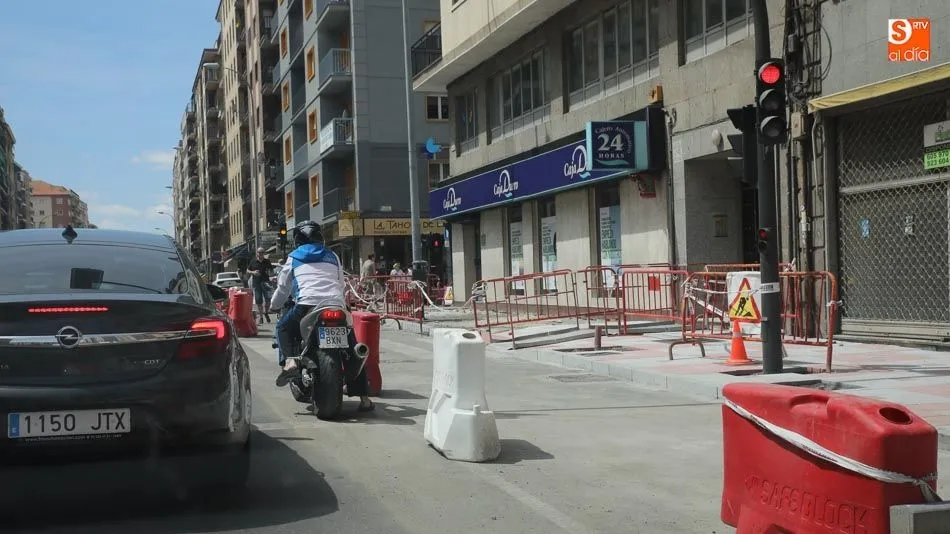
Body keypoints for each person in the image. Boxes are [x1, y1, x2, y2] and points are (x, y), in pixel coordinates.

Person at [269, 220, 374, 412]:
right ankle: (365, 398)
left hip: (307, 305)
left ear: (298, 239)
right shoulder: (333, 255)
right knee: (352, 348)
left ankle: (291, 361)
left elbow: (283, 287)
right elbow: (341, 284)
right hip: (335, 304)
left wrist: (273, 305)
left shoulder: (293, 256)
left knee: (282, 327)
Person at [247, 247, 273, 324]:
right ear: (257, 253)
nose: (260, 254)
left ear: (264, 254)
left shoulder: (267, 261)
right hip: (257, 283)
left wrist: (270, 273)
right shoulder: (253, 261)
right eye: (259, 252)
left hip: (266, 282)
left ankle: (266, 312)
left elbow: (271, 270)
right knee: (258, 300)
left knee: (268, 300)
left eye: (262, 252)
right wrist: (253, 272)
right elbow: (247, 270)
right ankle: (261, 317)